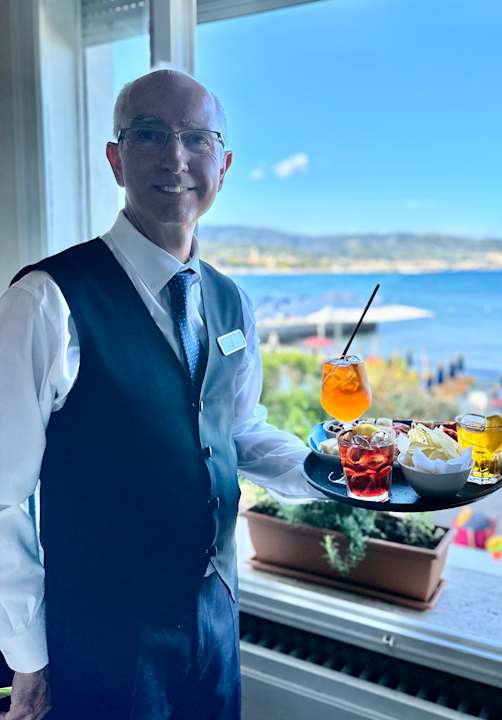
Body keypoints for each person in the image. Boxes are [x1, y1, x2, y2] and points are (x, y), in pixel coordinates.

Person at [0, 68, 324, 720]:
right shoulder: (46, 300)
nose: (176, 157)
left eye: (197, 138)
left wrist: (337, 473)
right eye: (149, 134)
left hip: (215, 617)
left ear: (222, 165)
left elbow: (237, 431)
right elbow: (3, 495)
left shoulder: (230, 300)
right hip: (101, 635)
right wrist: (28, 656)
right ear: (115, 159)